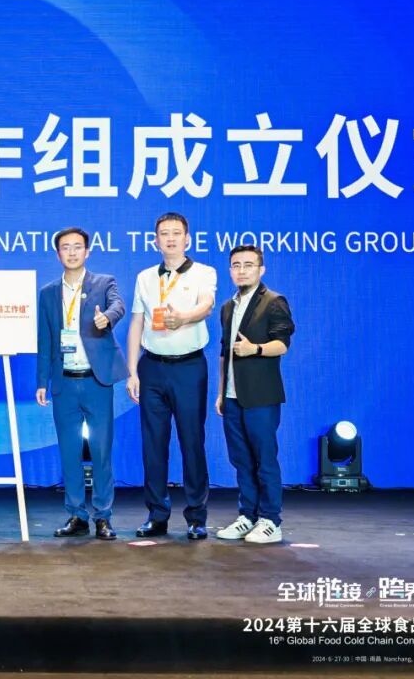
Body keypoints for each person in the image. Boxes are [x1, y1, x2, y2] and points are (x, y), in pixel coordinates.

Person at [125, 212, 216, 540]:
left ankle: (196, 516)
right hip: (152, 367)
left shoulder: (204, 272)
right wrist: (132, 371)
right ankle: (157, 514)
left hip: (189, 367)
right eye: (164, 234)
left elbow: (207, 306)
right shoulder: (145, 277)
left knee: (192, 441)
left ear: (187, 239)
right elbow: (137, 322)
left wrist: (184, 318)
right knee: (153, 444)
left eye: (177, 233)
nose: (171, 239)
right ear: (156, 241)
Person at [36, 227, 129, 540]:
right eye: (66, 247)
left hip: (96, 381)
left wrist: (108, 318)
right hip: (64, 382)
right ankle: (77, 515)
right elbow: (45, 339)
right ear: (58, 254)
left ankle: (103, 516)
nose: (72, 252)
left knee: (101, 451)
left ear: (87, 251)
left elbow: (118, 305)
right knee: (69, 452)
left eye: (78, 247)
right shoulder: (48, 293)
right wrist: (42, 381)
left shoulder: (104, 283)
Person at [215, 245, 294, 544]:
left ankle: (271, 520)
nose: (242, 270)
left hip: (261, 396)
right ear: (230, 270)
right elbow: (224, 353)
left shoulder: (274, 302)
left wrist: (255, 349)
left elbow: (282, 344)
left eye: (248, 265)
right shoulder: (227, 307)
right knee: (241, 460)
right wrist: (221, 392)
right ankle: (247, 516)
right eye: (236, 265)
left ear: (261, 270)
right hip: (232, 397)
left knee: (264, 459)